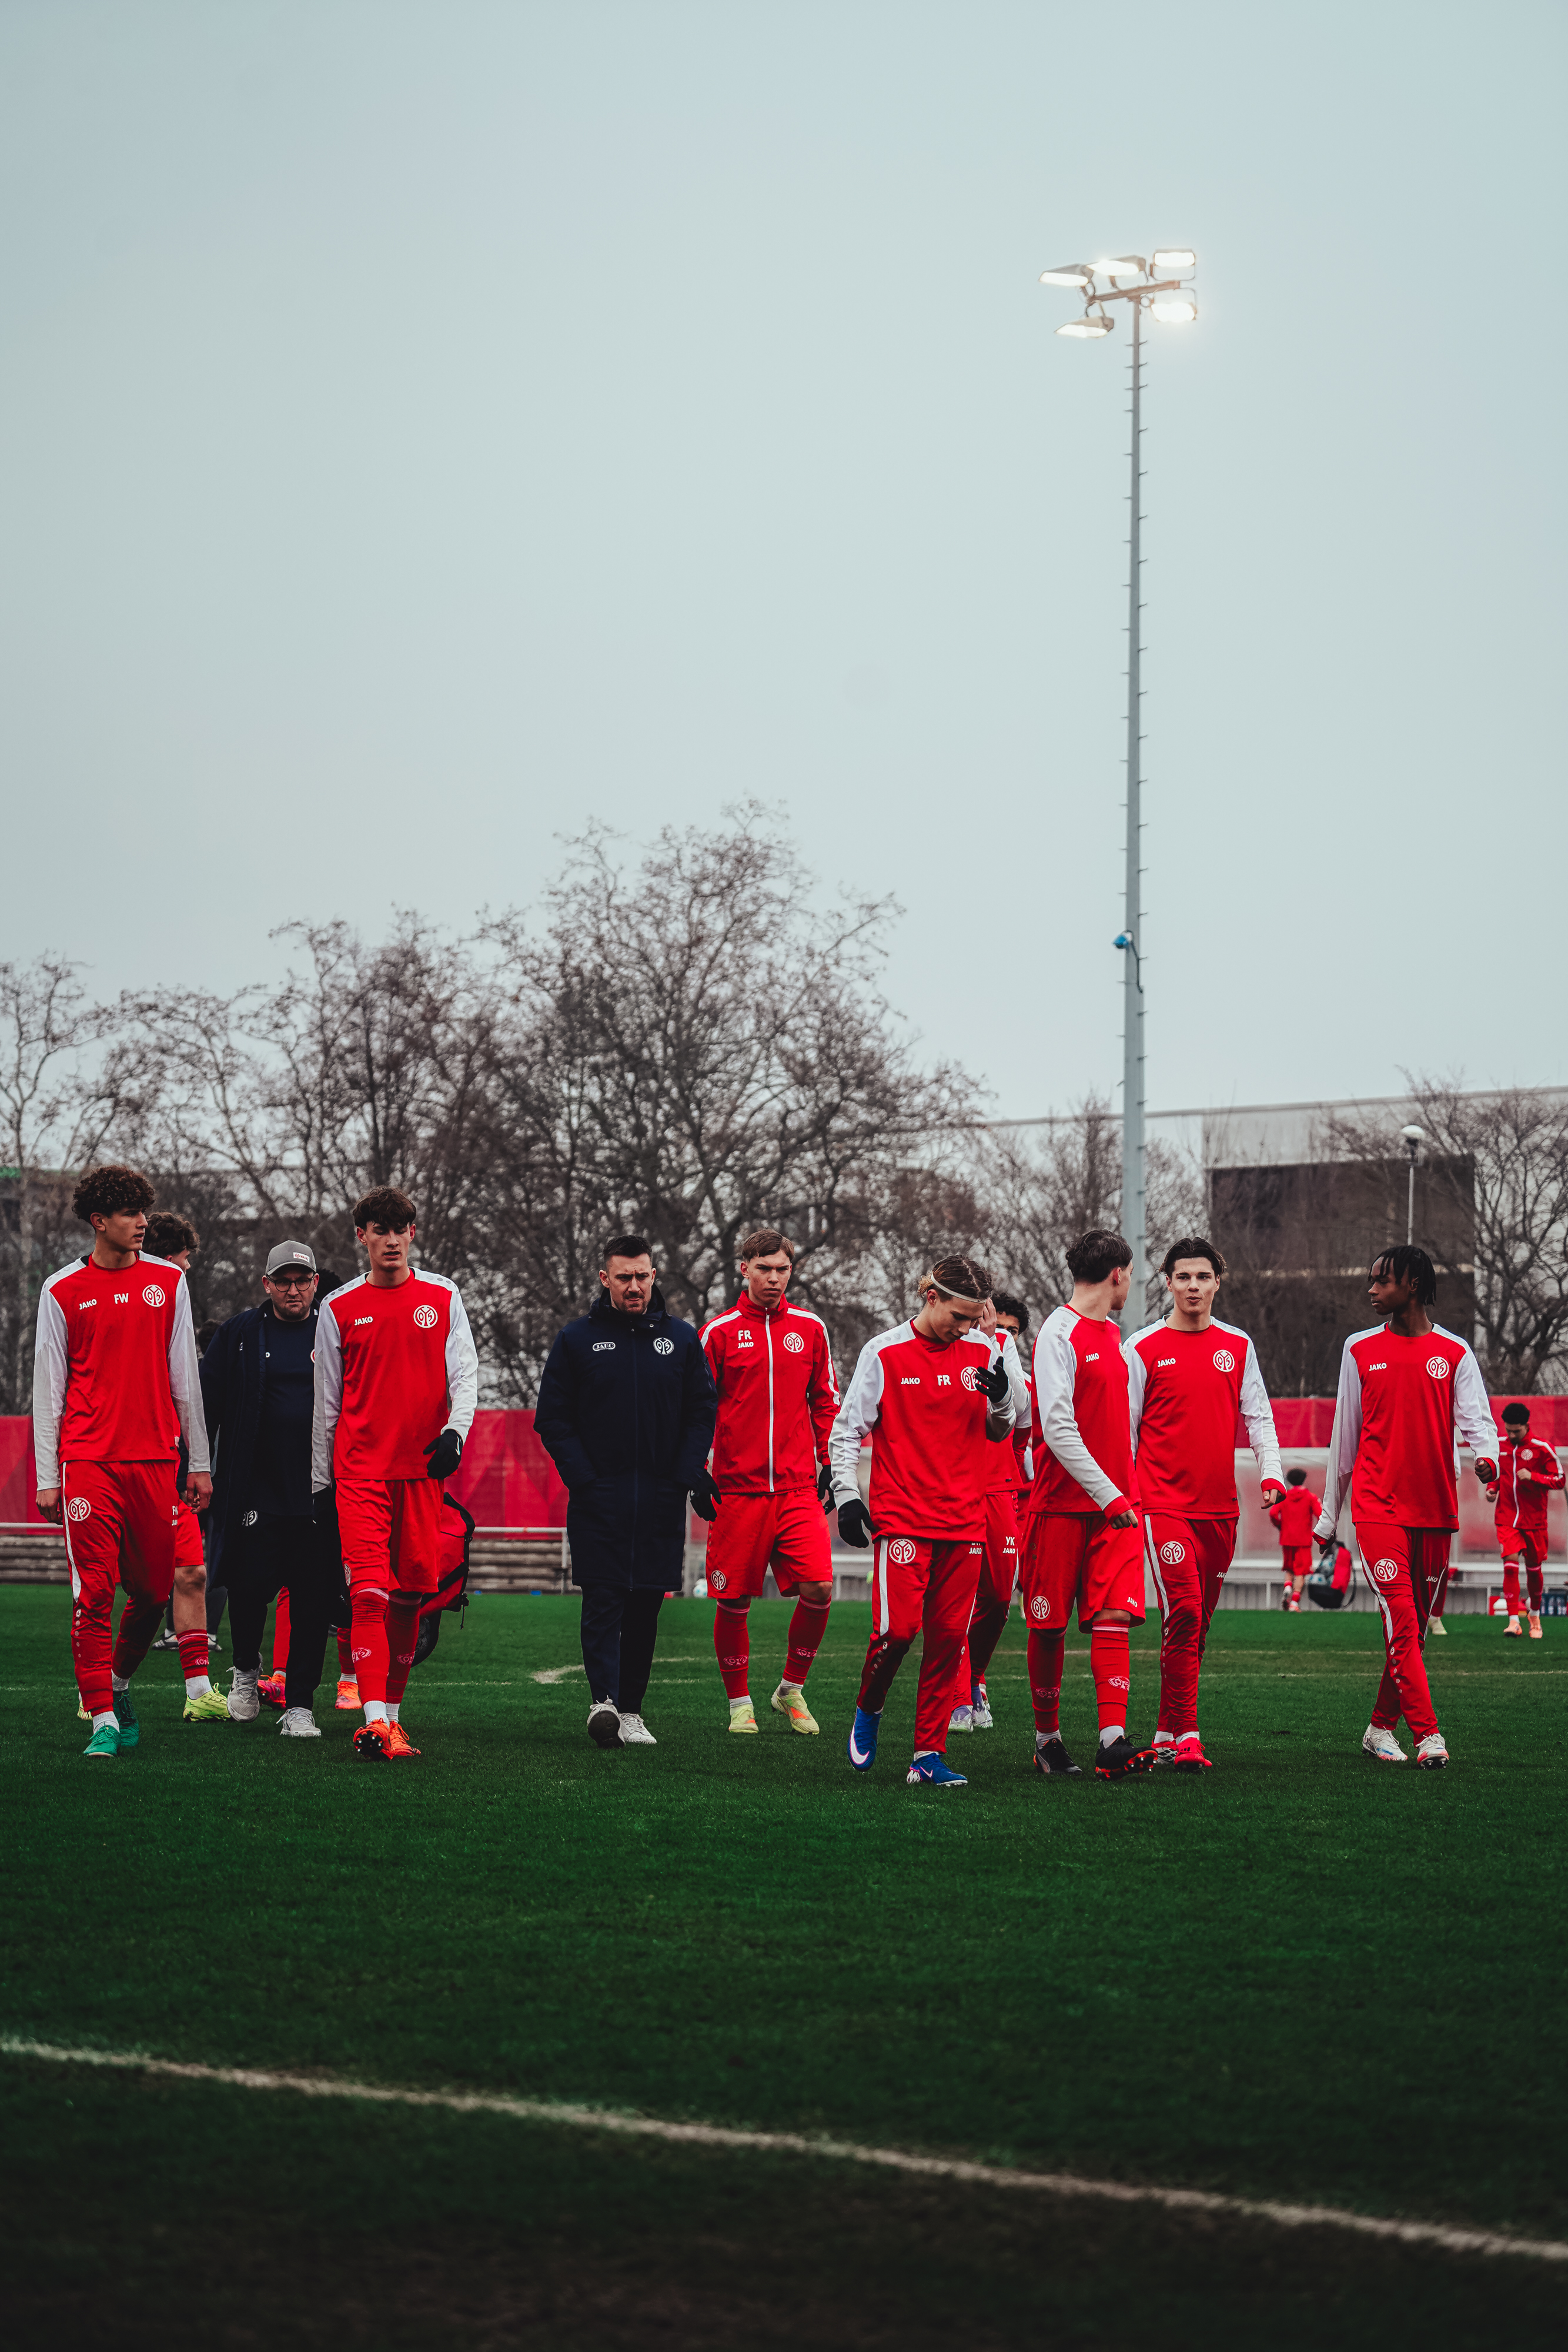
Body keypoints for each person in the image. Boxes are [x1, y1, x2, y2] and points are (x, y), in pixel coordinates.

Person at [32, 1163, 219, 1755]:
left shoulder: (168, 1281)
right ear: (99, 1221)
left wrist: (199, 1461)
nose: (142, 1222)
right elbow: (48, 1391)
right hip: (88, 1460)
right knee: (93, 1593)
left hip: (155, 1461)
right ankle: (103, 1721)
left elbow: (186, 1379)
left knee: (153, 1593)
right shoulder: (61, 1289)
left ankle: (114, 1685)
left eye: (143, 1211)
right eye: (130, 1213)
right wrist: (47, 1476)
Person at [833, 1254, 1021, 1789]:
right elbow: (847, 1431)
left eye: (973, 1319)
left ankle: (927, 1755)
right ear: (930, 1297)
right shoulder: (884, 1351)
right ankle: (869, 1706)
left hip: (965, 1522)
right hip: (903, 1519)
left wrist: (1002, 1400)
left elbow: (999, 1430)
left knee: (946, 1642)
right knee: (896, 1633)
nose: (965, 1328)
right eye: (958, 1317)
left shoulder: (983, 1350)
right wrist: (847, 1496)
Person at [312, 1187, 479, 1761]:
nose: (390, 1239)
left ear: (413, 1233)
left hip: (421, 1474)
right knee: (369, 1596)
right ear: (362, 1236)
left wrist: (456, 1431)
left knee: (410, 1598)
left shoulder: (443, 1294)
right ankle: (375, 1721)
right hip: (360, 1473)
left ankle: (396, 1717)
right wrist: (320, 1483)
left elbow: (465, 1373)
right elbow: (326, 1404)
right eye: (378, 1230)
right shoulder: (337, 1307)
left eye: (399, 1228)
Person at [1315, 1245, 1497, 1768]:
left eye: (1382, 1281)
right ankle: (1428, 1736)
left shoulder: (1455, 1352)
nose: (1371, 1289)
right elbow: (1344, 1439)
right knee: (1399, 1615)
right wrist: (1329, 1516)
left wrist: (1486, 1458)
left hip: (1434, 1509)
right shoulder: (1358, 1348)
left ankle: (1379, 1728)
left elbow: (1478, 1421)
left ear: (1412, 1285)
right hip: (1376, 1507)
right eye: (1371, 1280)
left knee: (1411, 1631)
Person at [535, 1234, 718, 1750]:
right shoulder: (576, 1339)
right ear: (605, 1280)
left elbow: (701, 1410)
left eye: (641, 1276)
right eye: (624, 1278)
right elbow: (553, 1417)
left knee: (645, 1606)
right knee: (603, 1598)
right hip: (599, 1497)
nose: (634, 1286)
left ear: (654, 1276)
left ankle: (632, 1712)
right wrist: (584, 1477)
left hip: (661, 1498)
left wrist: (686, 1473)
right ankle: (603, 1703)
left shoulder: (681, 1339)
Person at [1124, 1238, 1285, 1770]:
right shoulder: (1142, 1347)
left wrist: (1270, 1471)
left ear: (1218, 1281)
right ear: (1167, 1282)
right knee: (1186, 1611)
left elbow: (1258, 1416)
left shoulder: (1237, 1344)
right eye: (1183, 1277)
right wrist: (1124, 1500)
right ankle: (1189, 1734)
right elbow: (1125, 1432)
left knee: (1195, 1627)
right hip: (1161, 1505)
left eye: (1202, 1277)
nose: (1192, 1286)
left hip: (1220, 1510)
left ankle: (1165, 1731)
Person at [200, 1241, 350, 1736]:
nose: (293, 1290)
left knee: (312, 1600)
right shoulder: (240, 1333)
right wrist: (195, 1468)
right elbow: (206, 1402)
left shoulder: (334, 1331)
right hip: (253, 1488)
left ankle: (300, 1705)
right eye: (282, 1281)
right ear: (266, 1284)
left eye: (301, 1281)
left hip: (317, 1491)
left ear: (315, 1284)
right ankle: (246, 1671)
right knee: (247, 1590)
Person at [698, 1228, 839, 1736]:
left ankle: (790, 1690)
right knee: (734, 1600)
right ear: (745, 1270)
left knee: (819, 1587)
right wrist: (697, 1468)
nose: (774, 1278)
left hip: (798, 1488)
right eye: (764, 1269)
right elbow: (698, 1409)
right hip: (737, 1490)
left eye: (782, 1269)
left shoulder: (811, 1328)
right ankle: (740, 1703)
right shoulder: (717, 1333)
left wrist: (830, 1462)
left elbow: (825, 1400)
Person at [1020, 1229, 1146, 1780]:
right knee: (1048, 1627)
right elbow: (1056, 1427)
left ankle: (1111, 1741)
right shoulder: (1058, 1331)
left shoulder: (1114, 1337)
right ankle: (1047, 1741)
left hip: (1116, 1508)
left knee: (1113, 1615)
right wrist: (1108, 1492)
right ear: (1118, 1273)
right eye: (1132, 1274)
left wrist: (1123, 1490)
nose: (1130, 1282)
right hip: (1060, 1508)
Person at [141, 1211, 225, 1659]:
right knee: (141, 1585)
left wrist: (198, 1464)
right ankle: (108, 1683)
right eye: (183, 1256)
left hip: (173, 1462)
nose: (188, 1266)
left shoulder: (176, 1302)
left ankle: (198, 1685)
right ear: (164, 1257)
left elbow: (186, 1392)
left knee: (194, 1571)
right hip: (121, 1463)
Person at [950, 1289, 1031, 1735]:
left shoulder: (1002, 1349)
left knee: (1000, 1597)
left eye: (1012, 1330)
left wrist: (995, 1342)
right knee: (957, 1597)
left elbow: (1020, 1414)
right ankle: (958, 1696)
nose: (1003, 1332)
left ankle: (975, 1677)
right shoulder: (946, 1347)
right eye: (997, 1324)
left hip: (999, 1489)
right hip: (955, 1488)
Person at [1486, 1401, 1564, 1639]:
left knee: (1533, 1571)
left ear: (1527, 1426)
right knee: (1510, 1565)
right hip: (1507, 1518)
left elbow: (1560, 1480)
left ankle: (1535, 1615)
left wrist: (1534, 1477)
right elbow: (1497, 1473)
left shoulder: (1542, 1448)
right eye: (1508, 1430)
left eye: (1516, 1431)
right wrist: (1492, 1488)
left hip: (1535, 1521)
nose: (1511, 1435)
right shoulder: (1499, 1445)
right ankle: (1513, 1622)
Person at [1270, 1468, 1322, 1612]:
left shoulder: (1284, 1497)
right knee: (1301, 1572)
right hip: (1303, 1541)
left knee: (1289, 1568)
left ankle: (1287, 1587)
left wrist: (1281, 1526)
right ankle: (1294, 1603)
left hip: (1287, 1539)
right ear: (1304, 1479)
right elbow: (1320, 1515)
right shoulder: (1311, 1497)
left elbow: (1273, 1513)